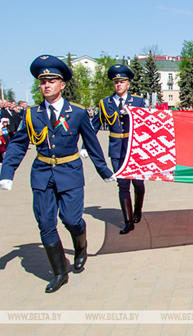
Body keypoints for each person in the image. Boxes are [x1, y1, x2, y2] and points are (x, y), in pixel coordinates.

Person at [0, 55, 116, 293]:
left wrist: (103, 170)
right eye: (43, 81)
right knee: (45, 224)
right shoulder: (31, 114)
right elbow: (18, 144)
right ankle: (60, 272)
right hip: (42, 174)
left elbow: (92, 143)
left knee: (72, 220)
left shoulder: (78, 113)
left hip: (70, 172)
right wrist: (7, 172)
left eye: (52, 80)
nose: (46, 85)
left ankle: (80, 246)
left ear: (62, 85)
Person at [81, 64, 146, 234]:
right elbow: (92, 127)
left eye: (122, 81)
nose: (119, 84)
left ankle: (137, 210)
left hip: (134, 149)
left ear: (128, 84)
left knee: (138, 183)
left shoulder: (137, 101)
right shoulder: (105, 103)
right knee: (123, 184)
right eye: (116, 82)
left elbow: (147, 124)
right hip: (116, 149)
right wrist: (84, 146)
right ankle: (128, 221)